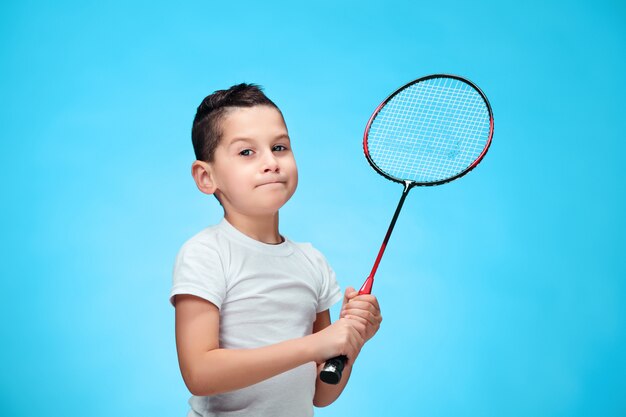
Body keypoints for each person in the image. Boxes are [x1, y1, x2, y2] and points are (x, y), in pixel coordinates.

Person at [170, 83, 382, 417]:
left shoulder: (312, 262)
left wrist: (349, 343)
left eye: (279, 147)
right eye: (246, 152)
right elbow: (200, 373)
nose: (270, 162)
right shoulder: (205, 254)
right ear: (206, 177)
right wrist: (316, 344)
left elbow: (320, 395)